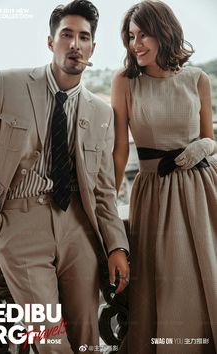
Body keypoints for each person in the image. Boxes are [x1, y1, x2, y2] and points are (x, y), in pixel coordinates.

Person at [0, 1, 130, 353]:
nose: (75, 44)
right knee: (50, 339)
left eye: (84, 37)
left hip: (79, 228)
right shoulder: (8, 84)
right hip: (19, 225)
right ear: (51, 42)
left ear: (93, 48)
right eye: (67, 35)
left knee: (87, 340)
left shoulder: (101, 112)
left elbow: (105, 191)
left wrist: (117, 246)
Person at [111, 1, 217, 353]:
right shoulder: (125, 83)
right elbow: (119, 152)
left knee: (209, 275)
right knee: (171, 283)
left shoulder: (197, 79)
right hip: (155, 193)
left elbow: (209, 139)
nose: (136, 44)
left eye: (144, 34)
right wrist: (108, 205)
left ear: (165, 32)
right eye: (131, 36)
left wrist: (202, 147)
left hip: (203, 189)